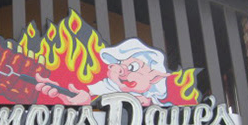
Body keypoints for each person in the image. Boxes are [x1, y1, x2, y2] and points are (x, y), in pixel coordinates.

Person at [36, 38, 169, 107]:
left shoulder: (158, 102)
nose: (122, 71)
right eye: (119, 64)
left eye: (133, 67)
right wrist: (66, 93)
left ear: (154, 77)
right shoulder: (110, 86)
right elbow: (86, 93)